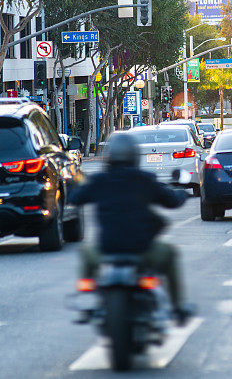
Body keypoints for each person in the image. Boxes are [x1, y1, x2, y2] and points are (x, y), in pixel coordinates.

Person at [70, 132, 192, 324]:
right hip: (142, 249)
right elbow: (172, 201)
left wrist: (75, 182)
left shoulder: (100, 181)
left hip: (107, 249)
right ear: (133, 155)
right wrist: (182, 193)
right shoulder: (144, 179)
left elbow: (75, 198)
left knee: (86, 253)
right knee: (169, 254)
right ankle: (178, 307)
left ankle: (87, 298)